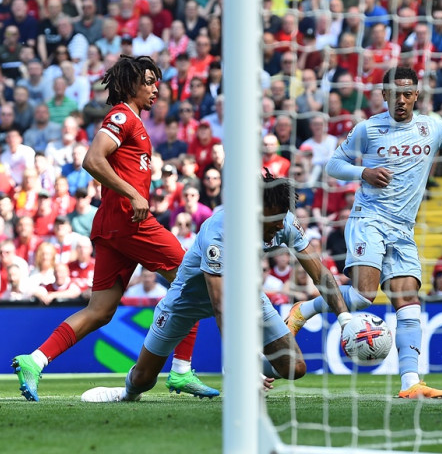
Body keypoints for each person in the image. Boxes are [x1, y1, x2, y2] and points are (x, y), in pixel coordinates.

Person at [285, 67, 442, 399]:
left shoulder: (432, 127)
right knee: (363, 295)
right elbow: (334, 164)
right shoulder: (368, 128)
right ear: (384, 95)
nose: (402, 100)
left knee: (408, 303)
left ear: (417, 95)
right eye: (395, 94)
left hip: (403, 229)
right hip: (369, 220)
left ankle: (411, 383)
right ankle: (303, 311)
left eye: (408, 94)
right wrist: (364, 172)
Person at [12, 55, 216, 401]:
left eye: (156, 82)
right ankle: (181, 370)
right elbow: (92, 160)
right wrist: (134, 194)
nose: (155, 89)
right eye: (148, 82)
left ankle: (34, 360)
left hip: (112, 224)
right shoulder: (122, 117)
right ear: (131, 85)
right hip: (129, 221)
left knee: (100, 311)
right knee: (193, 282)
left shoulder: (134, 121)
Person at [80, 173, 352, 403]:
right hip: (186, 302)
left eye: (283, 219)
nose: (280, 226)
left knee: (295, 367)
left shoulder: (284, 222)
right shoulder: (219, 231)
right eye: (274, 221)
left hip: (244, 295)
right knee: (143, 379)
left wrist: (345, 320)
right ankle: (126, 393)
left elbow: (321, 275)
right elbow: (220, 304)